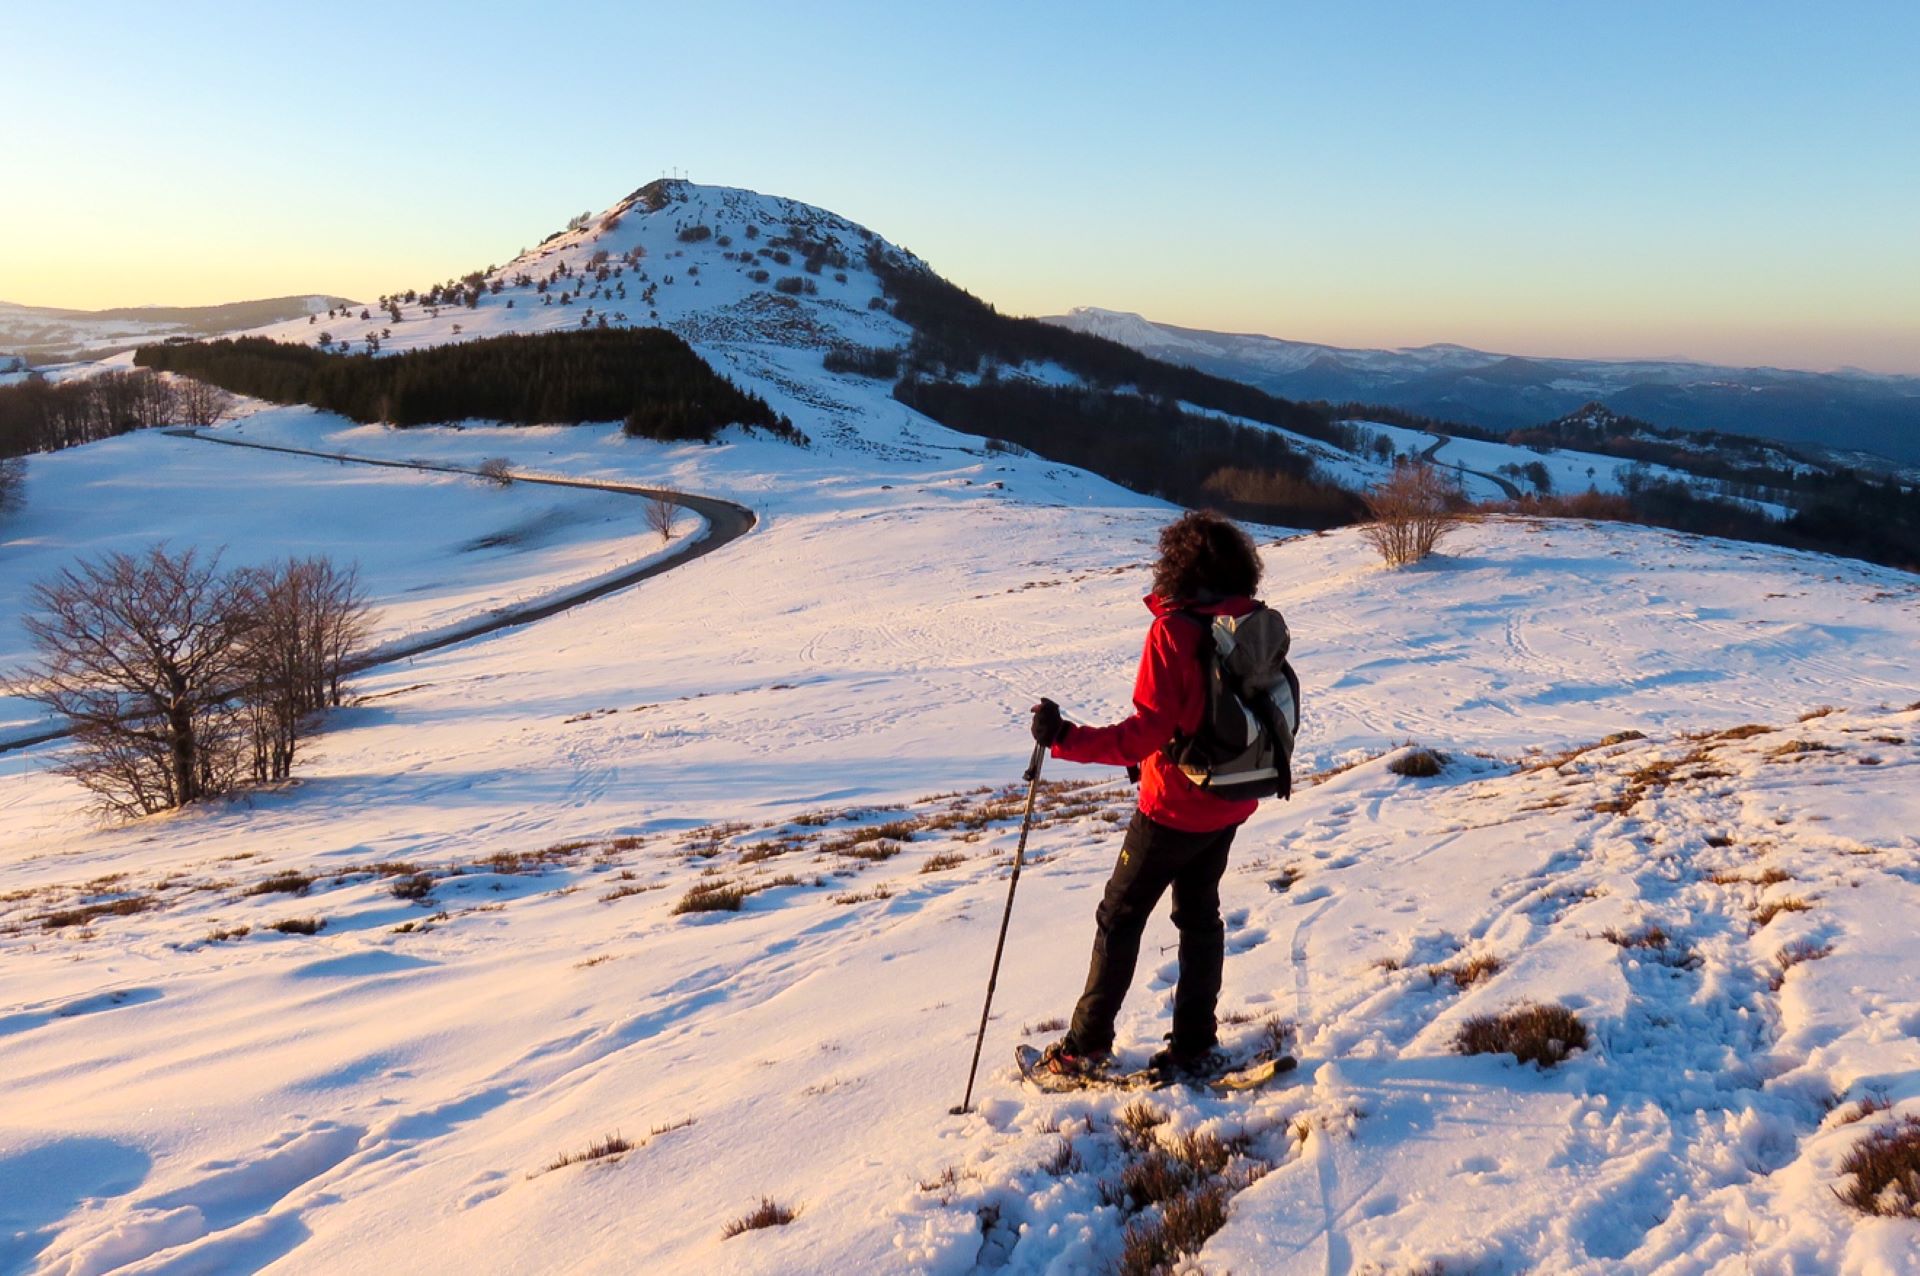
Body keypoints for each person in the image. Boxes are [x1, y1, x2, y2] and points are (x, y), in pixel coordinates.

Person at [1029, 510, 1268, 1080]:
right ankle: (1194, 1043)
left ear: (1177, 566)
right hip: (1231, 798)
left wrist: (1063, 738)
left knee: (1119, 917)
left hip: (1172, 809)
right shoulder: (1248, 620)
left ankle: (1084, 1047)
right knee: (1201, 919)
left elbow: (1145, 732)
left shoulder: (1174, 631)